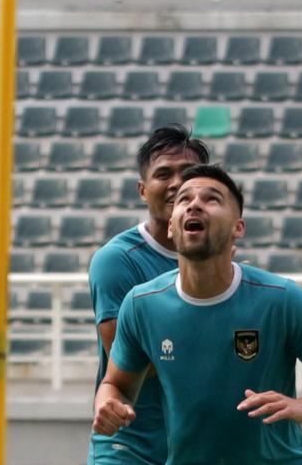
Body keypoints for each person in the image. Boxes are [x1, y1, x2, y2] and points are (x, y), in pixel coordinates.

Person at [93, 164, 302, 465]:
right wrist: (109, 405)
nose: (194, 204)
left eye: (212, 199)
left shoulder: (282, 299)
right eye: (184, 200)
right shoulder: (141, 304)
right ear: (171, 226)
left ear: (238, 227)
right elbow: (115, 384)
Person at [86, 125, 211, 465]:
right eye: (163, 174)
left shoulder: (221, 259)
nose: (175, 183)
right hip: (131, 447)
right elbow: (128, 361)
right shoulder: (117, 261)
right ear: (143, 190)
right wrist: (215, 333)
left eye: (187, 174)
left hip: (201, 447)